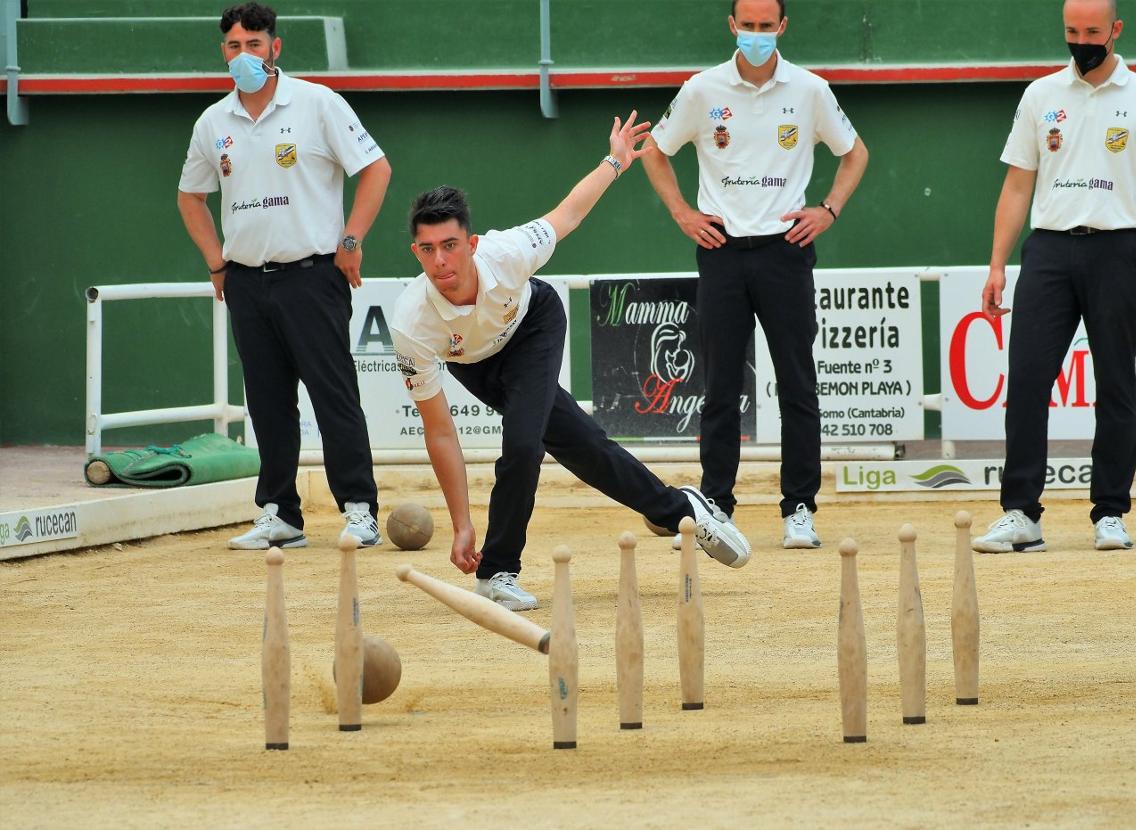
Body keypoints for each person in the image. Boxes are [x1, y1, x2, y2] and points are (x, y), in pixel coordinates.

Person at [389, 113, 751, 611]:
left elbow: (568, 214)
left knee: (522, 444)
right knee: (585, 448)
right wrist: (461, 522)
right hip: (475, 362)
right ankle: (682, 508)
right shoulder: (412, 323)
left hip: (532, 326)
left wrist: (615, 162)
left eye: (450, 246)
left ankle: (497, 572)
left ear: (471, 245)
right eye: (427, 251)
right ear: (416, 252)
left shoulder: (509, 252)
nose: (440, 262)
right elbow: (440, 432)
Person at [640, 0, 868, 549]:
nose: (757, 35)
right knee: (719, 386)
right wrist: (682, 213)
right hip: (720, 250)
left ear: (783, 27)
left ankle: (799, 509)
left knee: (797, 382)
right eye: (749, 25)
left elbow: (855, 153)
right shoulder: (702, 90)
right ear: (732, 25)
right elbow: (654, 148)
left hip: (785, 250)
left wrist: (828, 209)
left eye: (767, 26)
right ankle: (716, 504)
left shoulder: (810, 90)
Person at [974, 0, 1136, 553]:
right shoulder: (1041, 95)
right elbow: (1017, 185)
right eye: (1072, 30)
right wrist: (998, 264)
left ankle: (1110, 512)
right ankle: (1022, 513)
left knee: (1116, 383)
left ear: (1116, 30)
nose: (1082, 40)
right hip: (1047, 252)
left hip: (1120, 251)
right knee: (1025, 380)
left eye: (1092, 30)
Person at [177, 2, 392, 549]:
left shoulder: (318, 103)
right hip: (247, 282)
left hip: (312, 276)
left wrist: (350, 241)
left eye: (254, 43)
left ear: (276, 47)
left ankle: (359, 508)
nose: (243, 54)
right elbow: (190, 197)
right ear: (222, 52)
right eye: (233, 45)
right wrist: (217, 261)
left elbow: (376, 168)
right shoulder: (213, 122)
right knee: (267, 402)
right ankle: (280, 514)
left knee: (333, 394)